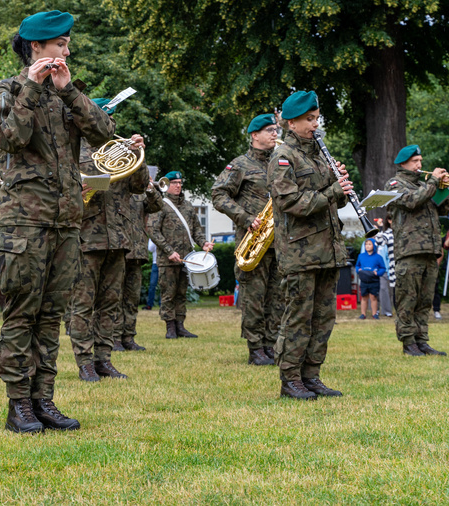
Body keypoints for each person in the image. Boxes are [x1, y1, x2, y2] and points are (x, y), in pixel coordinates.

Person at [0, 10, 114, 433]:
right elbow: (8, 138)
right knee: (22, 315)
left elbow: (103, 134)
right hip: (23, 225)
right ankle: (18, 404)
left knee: (50, 317)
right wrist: (31, 88)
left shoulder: (67, 94)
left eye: (67, 43)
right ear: (37, 46)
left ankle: (44, 399)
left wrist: (70, 92)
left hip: (65, 225)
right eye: (61, 43)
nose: (67, 50)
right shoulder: (7, 90)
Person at [268, 90, 351, 400]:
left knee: (323, 316)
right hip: (300, 252)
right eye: (308, 119)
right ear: (291, 123)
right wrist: (332, 191)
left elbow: (332, 201)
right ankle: (290, 379)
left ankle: (312, 375)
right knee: (298, 316)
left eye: (316, 118)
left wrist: (341, 187)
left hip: (327, 249)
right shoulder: (284, 156)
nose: (315, 125)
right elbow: (291, 203)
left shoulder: (318, 154)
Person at [70, 126, 148, 381]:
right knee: (83, 305)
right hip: (87, 239)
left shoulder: (122, 151)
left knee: (110, 303)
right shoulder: (75, 152)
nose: (108, 126)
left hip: (119, 238)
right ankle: (84, 361)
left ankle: (103, 359)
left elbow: (140, 187)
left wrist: (138, 154)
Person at [212, 113, 284, 366]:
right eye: (269, 130)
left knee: (277, 297)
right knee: (254, 296)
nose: (275, 133)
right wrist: (244, 217)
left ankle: (271, 344)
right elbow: (218, 194)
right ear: (254, 135)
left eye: (276, 129)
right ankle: (255, 348)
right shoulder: (240, 164)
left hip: (280, 241)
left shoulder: (281, 161)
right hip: (253, 240)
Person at [384, 144, 449, 356]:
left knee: (425, 299)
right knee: (408, 298)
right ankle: (408, 341)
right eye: (415, 162)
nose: (420, 165)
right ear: (403, 163)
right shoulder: (394, 184)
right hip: (409, 250)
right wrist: (432, 183)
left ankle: (422, 339)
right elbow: (412, 201)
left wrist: (442, 188)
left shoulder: (425, 185)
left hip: (430, 249)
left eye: (420, 161)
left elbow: (444, 209)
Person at [146, 171, 214, 339]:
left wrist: (204, 242)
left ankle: (180, 326)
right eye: (174, 182)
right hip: (167, 259)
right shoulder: (160, 204)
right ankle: (170, 328)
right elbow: (153, 231)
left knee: (181, 293)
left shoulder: (188, 206)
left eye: (180, 182)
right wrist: (169, 251)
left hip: (187, 259)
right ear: (166, 185)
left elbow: (196, 229)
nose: (178, 185)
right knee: (168, 294)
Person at [115, 167, 163, 352]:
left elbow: (158, 206)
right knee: (115, 298)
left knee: (132, 298)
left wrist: (150, 188)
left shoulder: (142, 193)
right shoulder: (118, 189)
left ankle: (128, 337)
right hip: (119, 250)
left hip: (137, 252)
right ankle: (114, 338)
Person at [355, 238, 385, 320]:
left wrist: (377, 273)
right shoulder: (361, 256)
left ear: (374, 246)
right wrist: (358, 270)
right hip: (364, 280)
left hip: (374, 280)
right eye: (366, 244)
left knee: (373, 297)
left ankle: (374, 314)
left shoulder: (378, 257)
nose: (367, 246)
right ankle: (363, 314)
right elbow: (357, 265)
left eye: (369, 244)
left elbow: (383, 268)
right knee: (364, 297)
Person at [373, 216, 395, 317]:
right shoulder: (388, 234)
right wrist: (380, 228)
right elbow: (379, 242)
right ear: (389, 221)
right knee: (385, 290)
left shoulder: (406, 232)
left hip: (407, 267)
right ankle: (387, 311)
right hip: (392, 268)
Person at [143, 239, 159, 310]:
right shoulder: (153, 236)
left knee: (165, 284)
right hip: (155, 263)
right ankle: (149, 304)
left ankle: (163, 304)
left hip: (166, 263)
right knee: (152, 284)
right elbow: (150, 248)